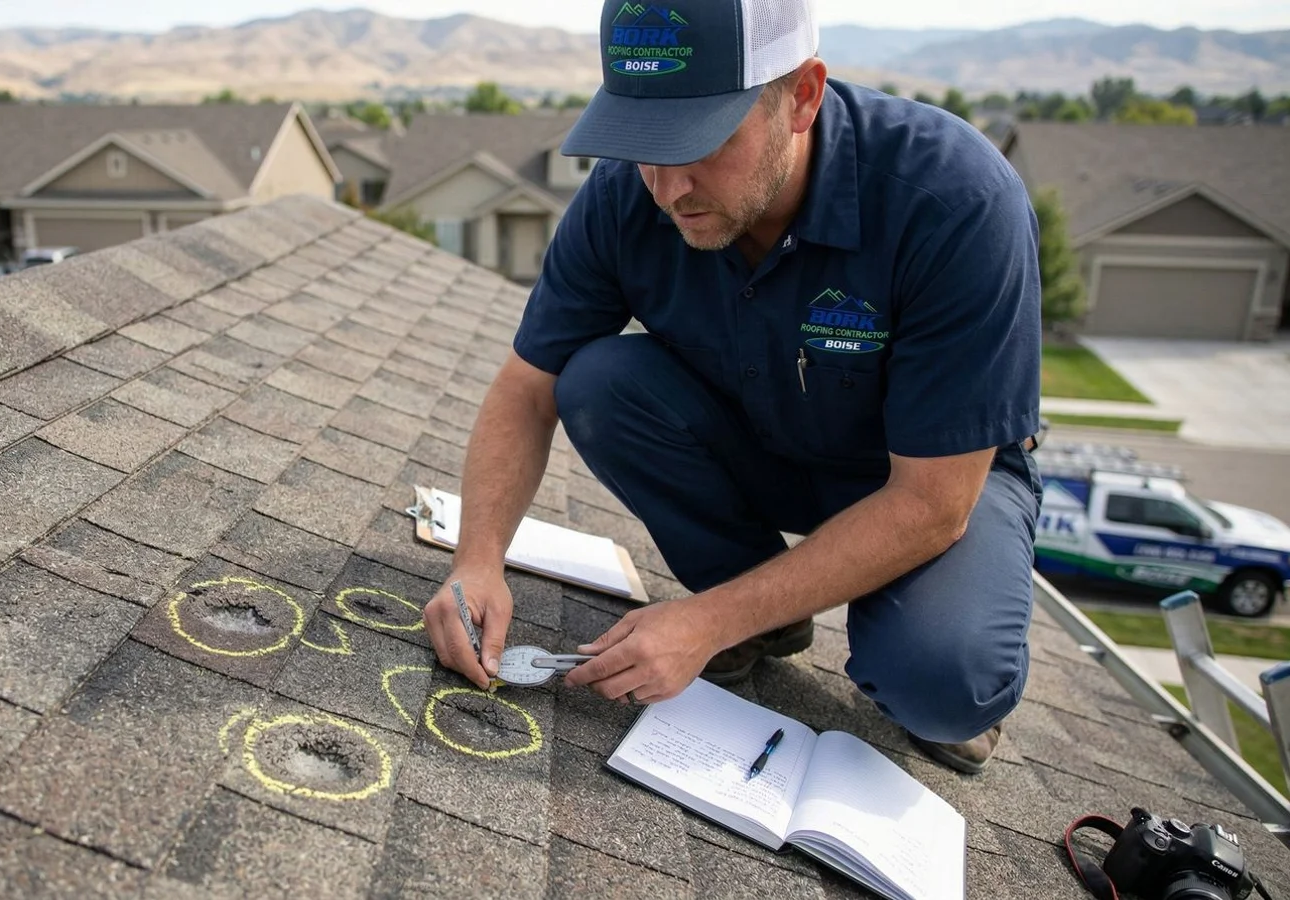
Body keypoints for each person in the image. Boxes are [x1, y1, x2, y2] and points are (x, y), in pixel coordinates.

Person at [419, 0, 1044, 775]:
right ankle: (760, 619)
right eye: (644, 144)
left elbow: (932, 504)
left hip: (925, 476)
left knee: (941, 679)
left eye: (700, 142)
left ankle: (861, 653)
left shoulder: (955, 201)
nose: (668, 187)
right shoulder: (628, 195)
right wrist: (477, 560)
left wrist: (700, 622)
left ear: (804, 97)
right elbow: (526, 387)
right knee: (599, 379)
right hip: (769, 440)